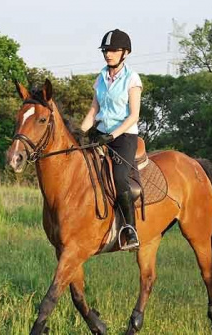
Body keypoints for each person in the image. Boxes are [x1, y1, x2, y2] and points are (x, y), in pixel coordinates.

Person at [81, 28, 142, 250]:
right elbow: (93, 110)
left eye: (113, 50)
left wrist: (113, 135)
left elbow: (134, 115)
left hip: (123, 137)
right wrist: (79, 133)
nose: (108, 54)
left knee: (118, 178)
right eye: (106, 50)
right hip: (101, 135)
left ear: (125, 53)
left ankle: (130, 230)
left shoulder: (132, 78)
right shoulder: (101, 78)